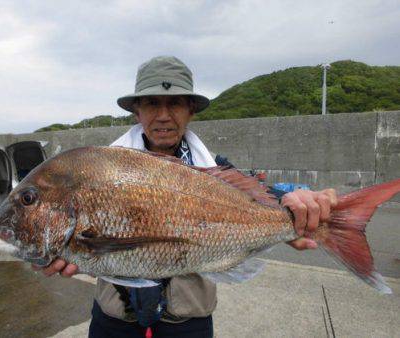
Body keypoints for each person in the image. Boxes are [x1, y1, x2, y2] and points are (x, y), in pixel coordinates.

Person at [34, 56, 337, 337]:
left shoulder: (219, 172)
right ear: (136, 111)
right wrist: (51, 247)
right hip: (114, 322)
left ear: (191, 109)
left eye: (175, 103)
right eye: (152, 103)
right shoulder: (99, 172)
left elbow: (269, 199)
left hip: (189, 324)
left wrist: (298, 208)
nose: (163, 115)